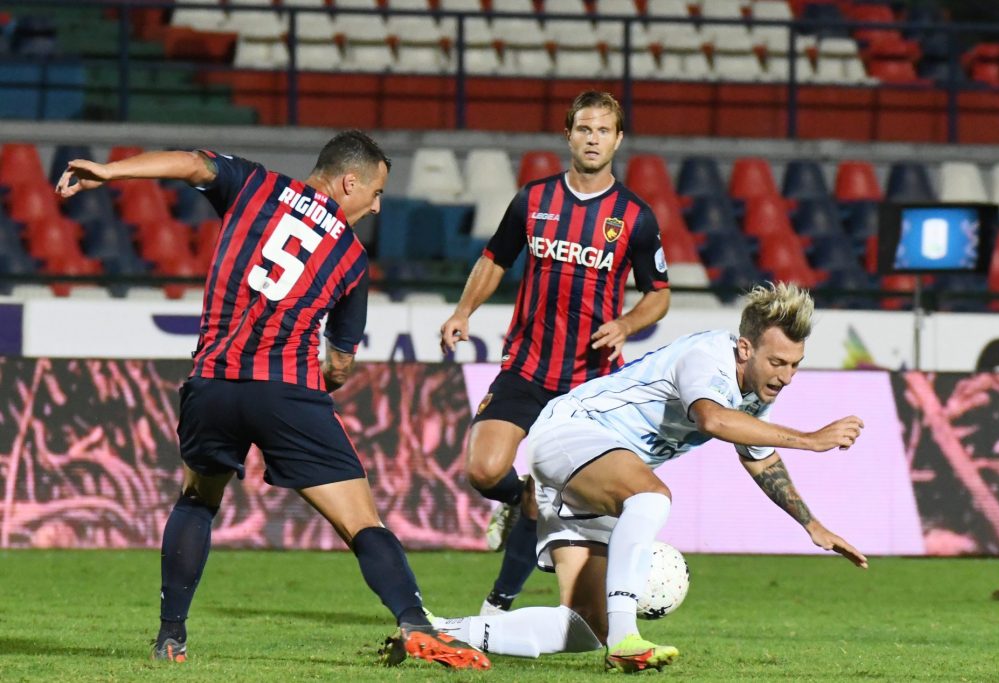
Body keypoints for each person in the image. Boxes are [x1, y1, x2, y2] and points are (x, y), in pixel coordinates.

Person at [55, 132, 490, 671]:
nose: (378, 205)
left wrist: (111, 171)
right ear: (348, 182)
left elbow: (191, 163)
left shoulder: (255, 185)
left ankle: (170, 638)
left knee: (196, 501)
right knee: (363, 524)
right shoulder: (351, 256)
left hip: (212, 383)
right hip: (287, 392)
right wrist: (319, 385)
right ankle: (415, 623)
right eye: (376, 192)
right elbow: (340, 364)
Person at [430, 282, 868, 673]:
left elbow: (760, 458)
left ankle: (441, 630)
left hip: (595, 473)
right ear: (745, 349)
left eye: (795, 365)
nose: (786, 377)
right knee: (651, 496)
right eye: (778, 362)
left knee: (586, 626)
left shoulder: (756, 391)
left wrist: (811, 525)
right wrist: (811, 439)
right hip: (572, 433)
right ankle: (627, 639)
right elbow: (713, 420)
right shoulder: (707, 357)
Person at [439, 91, 671, 616]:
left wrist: (627, 324)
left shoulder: (634, 216)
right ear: (568, 135)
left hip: (590, 383)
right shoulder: (534, 199)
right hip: (527, 366)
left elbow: (658, 293)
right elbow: (495, 259)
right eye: (584, 129)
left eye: (603, 130)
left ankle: (498, 606)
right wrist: (462, 312)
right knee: (484, 470)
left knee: (563, 496)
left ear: (618, 140)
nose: (593, 139)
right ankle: (520, 498)